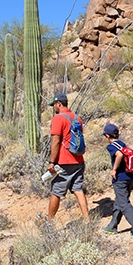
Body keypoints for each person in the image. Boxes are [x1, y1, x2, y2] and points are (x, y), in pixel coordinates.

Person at [47, 93, 89, 222]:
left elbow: (56, 142)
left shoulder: (58, 118)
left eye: (54, 105)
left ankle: (49, 222)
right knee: (77, 189)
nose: (53, 108)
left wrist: (51, 162)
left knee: (56, 192)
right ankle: (87, 220)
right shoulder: (77, 118)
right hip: (79, 160)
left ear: (58, 103)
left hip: (64, 162)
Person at [102, 124, 133, 237]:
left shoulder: (111, 146)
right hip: (129, 177)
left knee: (124, 203)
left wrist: (114, 170)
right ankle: (112, 226)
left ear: (107, 136)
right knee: (119, 202)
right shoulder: (123, 144)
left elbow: (119, 155)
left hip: (120, 179)